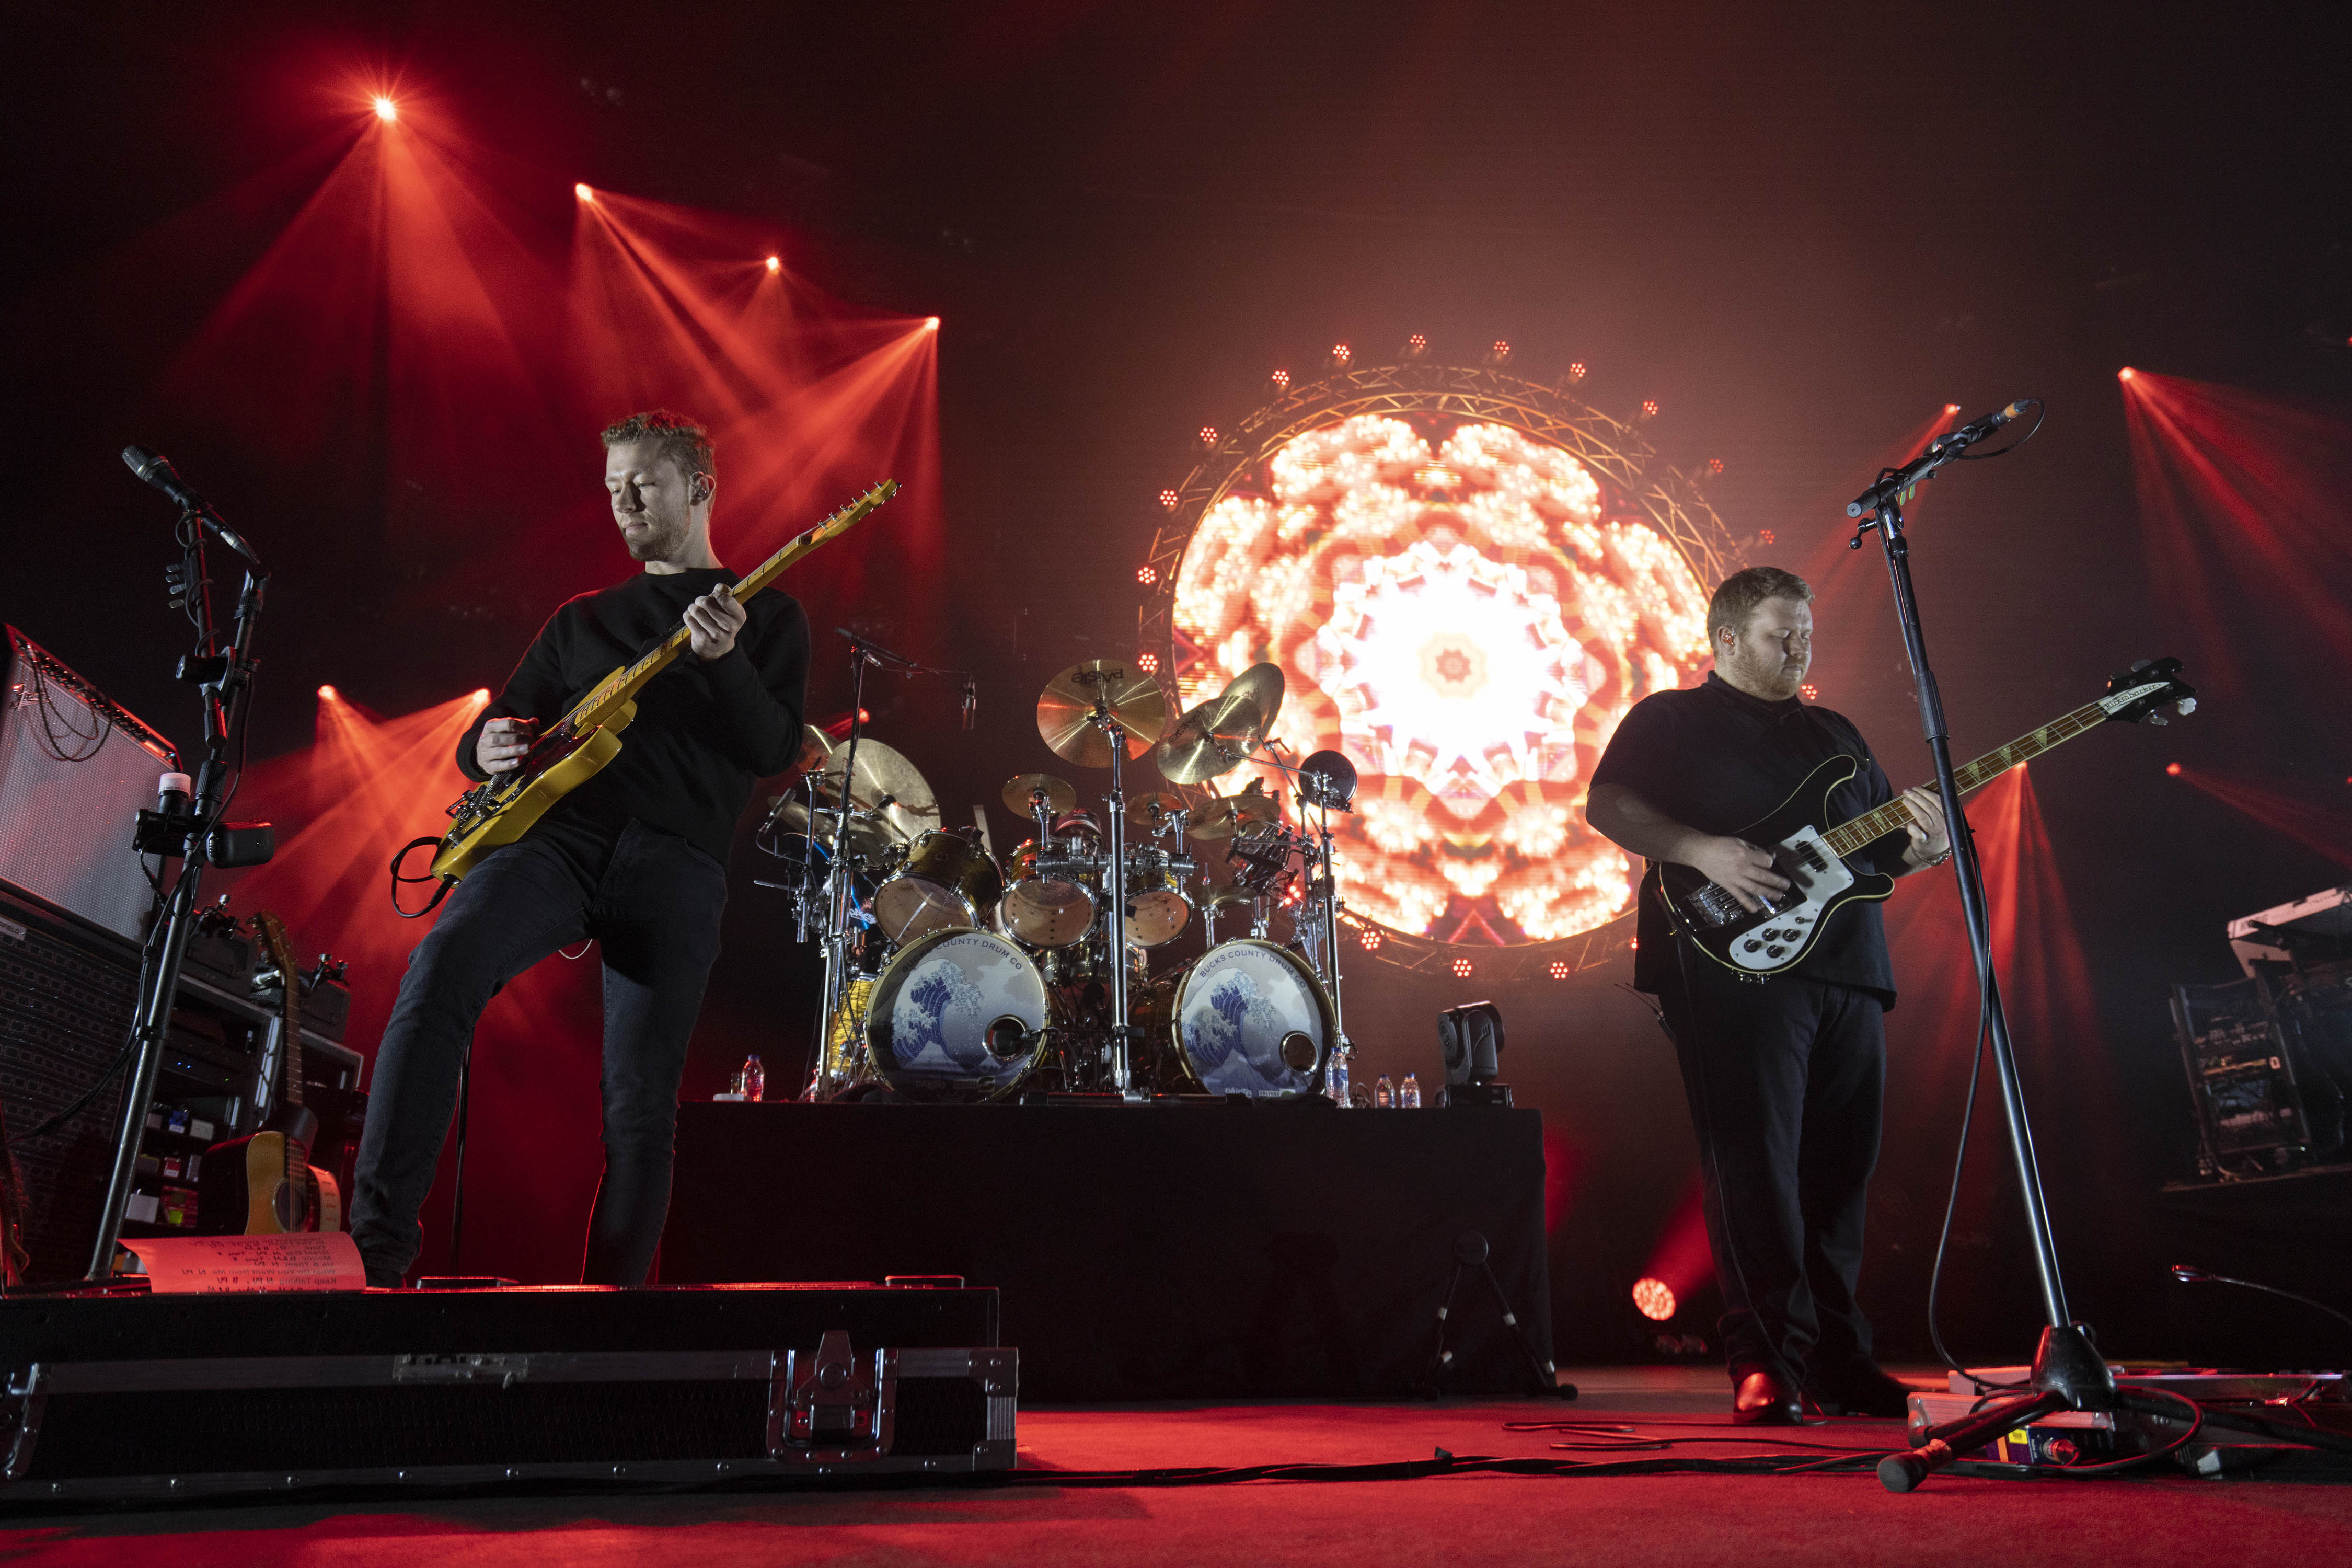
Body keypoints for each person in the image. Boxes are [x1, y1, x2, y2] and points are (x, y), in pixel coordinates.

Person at [349, 411, 810, 1288]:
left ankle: (606, 1322)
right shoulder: (582, 619)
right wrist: (484, 745)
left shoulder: (767, 612)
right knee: (439, 972)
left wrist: (725, 662)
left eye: (644, 484)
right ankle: (377, 1260)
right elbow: (497, 724)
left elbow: (772, 748)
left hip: (677, 862)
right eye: (611, 489)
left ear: (700, 489)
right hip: (556, 842)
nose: (624, 502)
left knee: (639, 1108)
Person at [1586, 566, 1947, 1424]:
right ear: (1726, 641)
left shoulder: (1837, 734)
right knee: (1753, 1169)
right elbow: (1608, 805)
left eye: (1807, 634)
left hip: (1848, 970)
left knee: (1839, 1175)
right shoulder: (1671, 718)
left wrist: (1924, 847)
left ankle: (1839, 1361)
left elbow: (1878, 853)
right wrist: (1702, 850)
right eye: (1781, 635)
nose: (1799, 649)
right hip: (1732, 970)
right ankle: (1764, 1364)